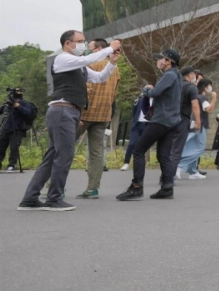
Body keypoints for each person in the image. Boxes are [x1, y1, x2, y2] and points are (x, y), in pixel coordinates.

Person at [18, 32, 119, 212]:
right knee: (64, 156)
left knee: (52, 157)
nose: (83, 45)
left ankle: (30, 198)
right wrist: (110, 48)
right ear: (67, 43)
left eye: (84, 42)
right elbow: (86, 60)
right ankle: (54, 198)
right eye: (80, 42)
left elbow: (99, 78)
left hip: (69, 111)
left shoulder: (79, 65)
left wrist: (111, 62)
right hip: (62, 109)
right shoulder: (63, 59)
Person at [116, 48, 187, 201]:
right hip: (173, 121)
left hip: (161, 120)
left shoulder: (169, 75)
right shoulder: (177, 76)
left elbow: (154, 93)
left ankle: (136, 187)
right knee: (164, 155)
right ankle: (167, 188)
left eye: (161, 59)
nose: (158, 61)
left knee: (138, 150)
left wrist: (146, 89)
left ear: (169, 61)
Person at [72, 38, 120, 198]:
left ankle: (53, 185)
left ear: (99, 49)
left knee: (64, 146)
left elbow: (84, 88)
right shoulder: (115, 68)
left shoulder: (90, 65)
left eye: (90, 48)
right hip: (104, 113)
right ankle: (93, 188)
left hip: (84, 113)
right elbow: (114, 92)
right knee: (97, 152)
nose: (87, 51)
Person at [173, 67, 203, 180]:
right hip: (183, 118)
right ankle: (170, 177)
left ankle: (165, 175)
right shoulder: (191, 87)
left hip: (171, 118)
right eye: (194, 75)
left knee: (170, 147)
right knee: (177, 148)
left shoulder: (175, 85)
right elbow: (195, 106)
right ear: (190, 75)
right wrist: (198, 122)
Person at [1, 87, 35, 172]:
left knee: (14, 148)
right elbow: (2, 111)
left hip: (17, 129)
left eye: (20, 91)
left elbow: (28, 113)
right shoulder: (8, 104)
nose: (19, 92)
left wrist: (18, 106)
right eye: (17, 91)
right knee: (1, 147)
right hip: (6, 128)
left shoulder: (24, 103)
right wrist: (4, 105)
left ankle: (11, 165)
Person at [121, 94, 152, 171]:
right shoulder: (139, 100)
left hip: (148, 125)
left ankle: (140, 163)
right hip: (137, 124)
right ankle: (126, 162)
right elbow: (134, 112)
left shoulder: (155, 101)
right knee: (132, 144)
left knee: (143, 145)